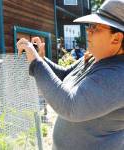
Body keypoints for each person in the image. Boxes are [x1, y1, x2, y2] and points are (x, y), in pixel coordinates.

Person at [17, 0, 124, 149]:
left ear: (116, 38)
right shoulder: (96, 57)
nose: (88, 31)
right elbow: (65, 76)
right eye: (89, 26)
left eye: (95, 27)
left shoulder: (119, 76)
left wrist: (37, 64)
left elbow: (71, 106)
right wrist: (42, 60)